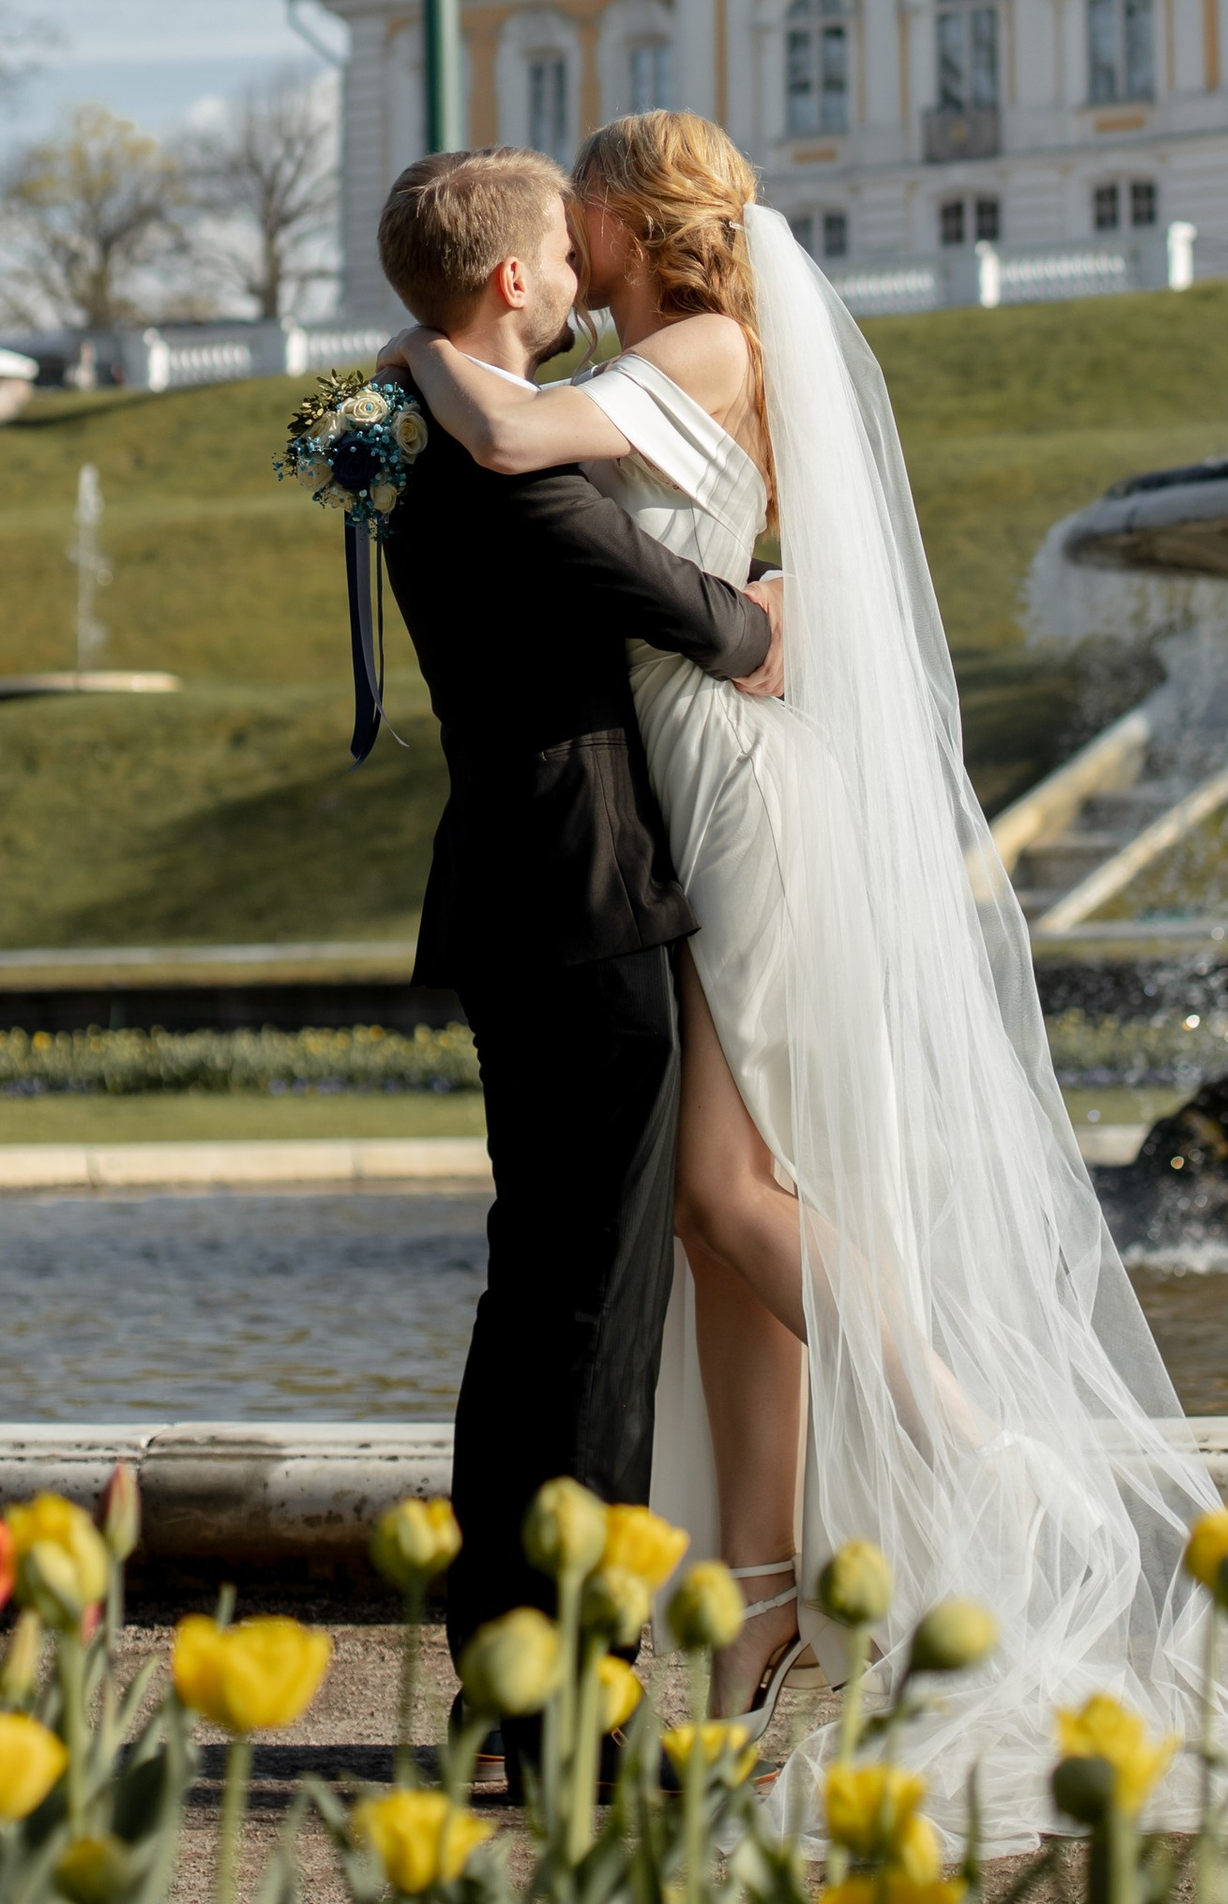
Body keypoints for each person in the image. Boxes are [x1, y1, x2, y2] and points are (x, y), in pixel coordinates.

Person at [393, 110, 1226, 1840]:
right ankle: (764, 1602)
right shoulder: (662, 359)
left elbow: (521, 435)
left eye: (583, 211)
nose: (571, 243)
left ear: (629, 224)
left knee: (726, 1191)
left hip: (725, 792)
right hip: (671, 794)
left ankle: (983, 1448)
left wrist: (411, 352)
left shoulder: (701, 345)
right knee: (717, 1220)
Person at [371, 147, 781, 1696]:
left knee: (534, 1288)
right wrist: (774, 606)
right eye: (559, 251)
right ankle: (571, 1684)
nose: (580, 272)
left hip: (513, 892)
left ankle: (504, 1653)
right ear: (510, 281)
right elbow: (712, 625)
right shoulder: (516, 478)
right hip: (590, 909)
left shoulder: (419, 449)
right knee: (598, 1308)